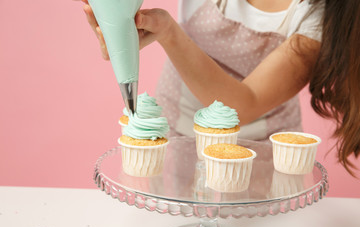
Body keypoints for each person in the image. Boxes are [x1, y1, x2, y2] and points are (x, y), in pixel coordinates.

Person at [80, 0, 359, 176]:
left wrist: (167, 31)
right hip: (175, 134)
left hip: (258, 156)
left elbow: (243, 104)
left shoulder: (319, 15)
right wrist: (118, 21)